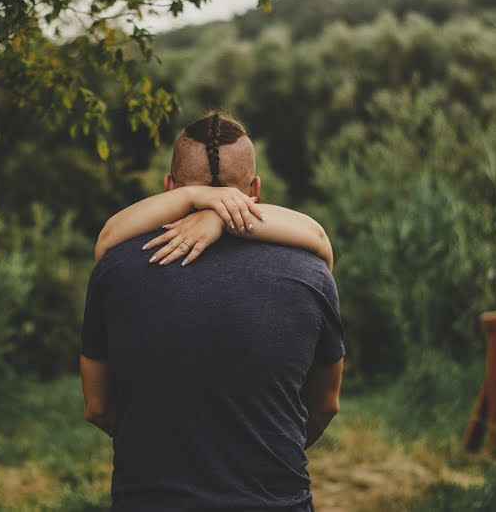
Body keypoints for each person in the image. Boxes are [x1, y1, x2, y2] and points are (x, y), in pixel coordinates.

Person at [80, 110, 344, 511]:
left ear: (168, 186)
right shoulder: (312, 272)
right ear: (255, 189)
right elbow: (326, 404)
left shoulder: (114, 269)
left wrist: (156, 450)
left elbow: (97, 406)